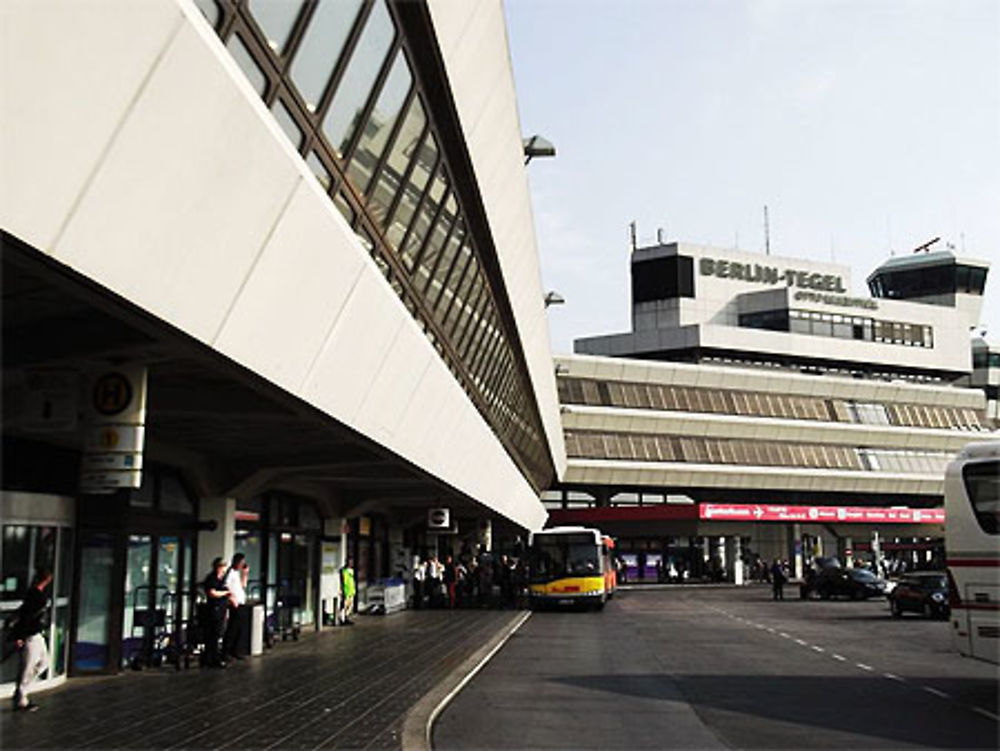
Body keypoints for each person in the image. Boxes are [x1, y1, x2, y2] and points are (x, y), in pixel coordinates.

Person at [9, 568, 52, 711]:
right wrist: (20, 637)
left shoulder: (36, 594)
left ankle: (22, 691)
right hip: (30, 636)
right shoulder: (35, 595)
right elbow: (26, 617)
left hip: (36, 634)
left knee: (44, 662)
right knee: (28, 667)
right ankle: (22, 698)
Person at [202, 557, 231, 667]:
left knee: (217, 633)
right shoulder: (212, 579)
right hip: (214, 609)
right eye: (223, 567)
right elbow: (212, 592)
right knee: (212, 634)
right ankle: (212, 658)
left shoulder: (221, 579)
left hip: (221, 608)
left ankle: (212, 657)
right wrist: (224, 593)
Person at [222, 553, 249, 661]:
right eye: (241, 562)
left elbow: (243, 585)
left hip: (241, 602)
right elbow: (226, 586)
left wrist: (245, 574)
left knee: (240, 628)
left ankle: (236, 650)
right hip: (235, 603)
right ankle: (227, 651)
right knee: (233, 627)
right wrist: (231, 598)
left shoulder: (237, 573)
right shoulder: (231, 572)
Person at [340, 558, 356, 625]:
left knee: (350, 606)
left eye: (351, 562)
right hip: (346, 591)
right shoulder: (343, 570)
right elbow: (342, 581)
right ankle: (342, 619)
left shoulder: (352, 570)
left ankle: (346, 617)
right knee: (344, 606)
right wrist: (342, 590)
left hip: (351, 591)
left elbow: (352, 581)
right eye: (349, 562)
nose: (351, 563)